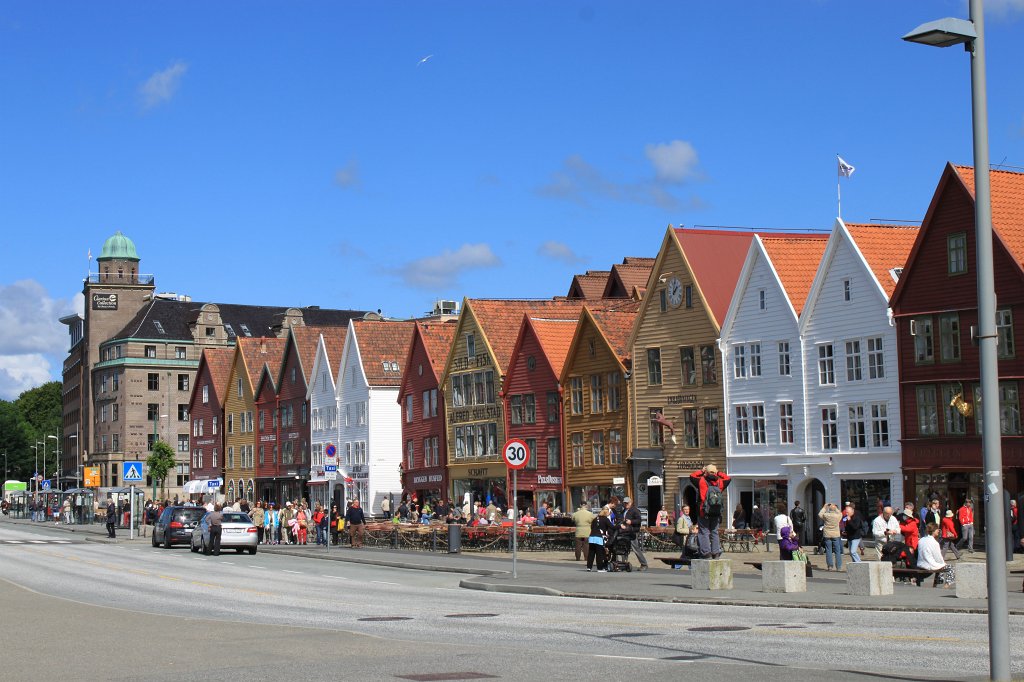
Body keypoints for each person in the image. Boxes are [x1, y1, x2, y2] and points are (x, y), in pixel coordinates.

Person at [689, 464, 731, 559]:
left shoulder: (701, 481)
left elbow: (692, 476)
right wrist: (719, 473)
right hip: (716, 512)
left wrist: (701, 471)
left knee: (703, 532)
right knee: (714, 532)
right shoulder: (720, 482)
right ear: (715, 472)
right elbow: (728, 478)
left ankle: (706, 553)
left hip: (703, 511)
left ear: (706, 472)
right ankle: (715, 553)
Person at [619, 496, 648, 571]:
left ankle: (644, 564)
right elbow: (620, 518)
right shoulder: (624, 510)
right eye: (625, 503)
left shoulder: (635, 510)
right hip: (625, 531)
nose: (626, 504)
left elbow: (639, 520)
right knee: (623, 547)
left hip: (632, 532)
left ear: (631, 503)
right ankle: (623, 564)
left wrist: (631, 521)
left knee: (635, 548)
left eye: (627, 503)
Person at [586, 507, 614, 572]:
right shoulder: (605, 519)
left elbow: (592, 527)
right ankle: (600, 568)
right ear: (606, 513)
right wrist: (620, 526)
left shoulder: (595, 518)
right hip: (598, 538)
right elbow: (612, 527)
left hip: (592, 537)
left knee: (591, 553)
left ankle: (589, 567)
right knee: (599, 554)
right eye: (609, 513)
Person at [818, 502, 843, 571]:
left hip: (827, 534)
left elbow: (820, 514)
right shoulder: (838, 516)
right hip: (836, 534)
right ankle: (839, 566)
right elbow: (840, 513)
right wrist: (835, 508)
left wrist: (824, 507)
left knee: (828, 550)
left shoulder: (826, 515)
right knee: (837, 551)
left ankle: (830, 566)